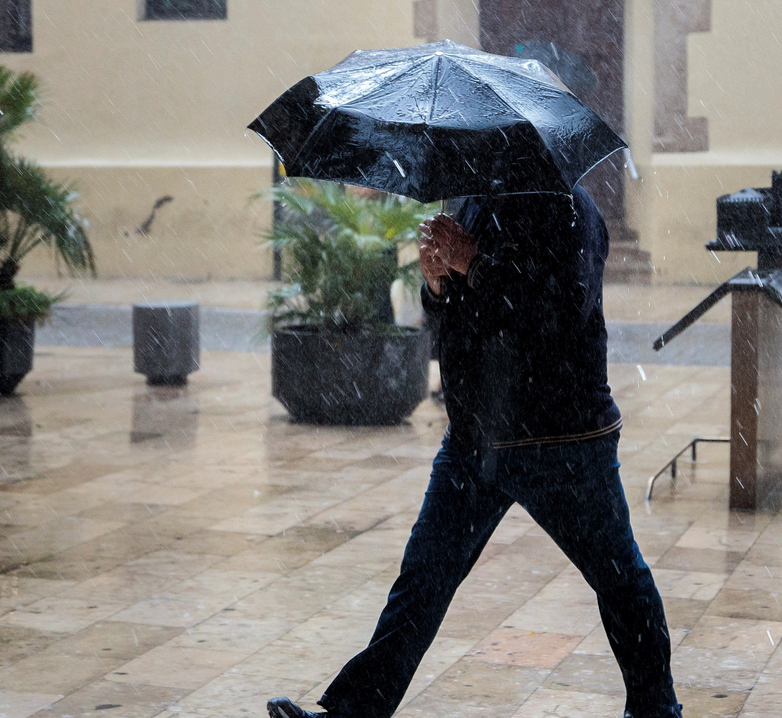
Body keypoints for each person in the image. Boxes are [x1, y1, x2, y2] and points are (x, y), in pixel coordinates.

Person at [266, 186, 683, 718]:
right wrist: (436, 284)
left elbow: (560, 311)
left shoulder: (570, 208)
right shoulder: (471, 205)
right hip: (474, 436)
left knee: (617, 577)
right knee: (423, 577)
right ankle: (354, 711)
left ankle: (656, 709)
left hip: (559, 440)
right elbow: (457, 319)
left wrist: (474, 263)